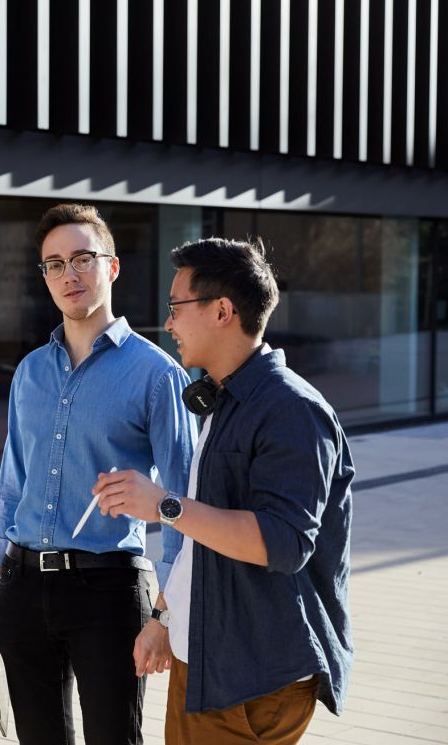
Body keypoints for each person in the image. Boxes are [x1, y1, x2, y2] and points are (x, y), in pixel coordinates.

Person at [92, 237, 354, 744]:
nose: (167, 323)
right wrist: (164, 618)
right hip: (206, 659)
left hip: (253, 676)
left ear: (222, 311)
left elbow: (282, 542)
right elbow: (201, 536)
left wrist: (162, 504)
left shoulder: (291, 409)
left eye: (175, 308)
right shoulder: (224, 400)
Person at [0, 203, 196, 745]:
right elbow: (12, 484)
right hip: (23, 589)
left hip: (108, 591)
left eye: (81, 259)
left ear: (111, 267)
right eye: (53, 264)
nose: (68, 275)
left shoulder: (156, 373)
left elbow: (187, 500)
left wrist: (164, 617)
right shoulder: (28, 372)